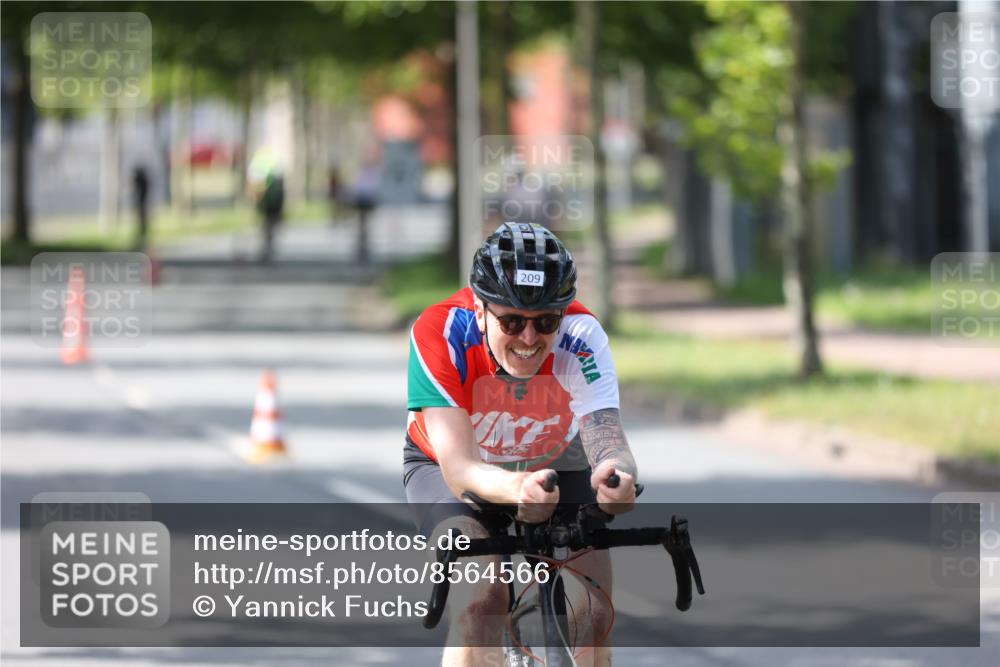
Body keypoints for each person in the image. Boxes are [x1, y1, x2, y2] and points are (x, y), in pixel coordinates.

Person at [404, 222, 638, 666]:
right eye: (511, 321)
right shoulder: (440, 332)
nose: (529, 339)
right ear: (479, 310)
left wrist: (617, 475)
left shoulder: (582, 336)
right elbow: (460, 470)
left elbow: (607, 437)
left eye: (546, 321)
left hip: (555, 459)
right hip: (451, 465)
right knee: (482, 600)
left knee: (592, 614)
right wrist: (520, 490)